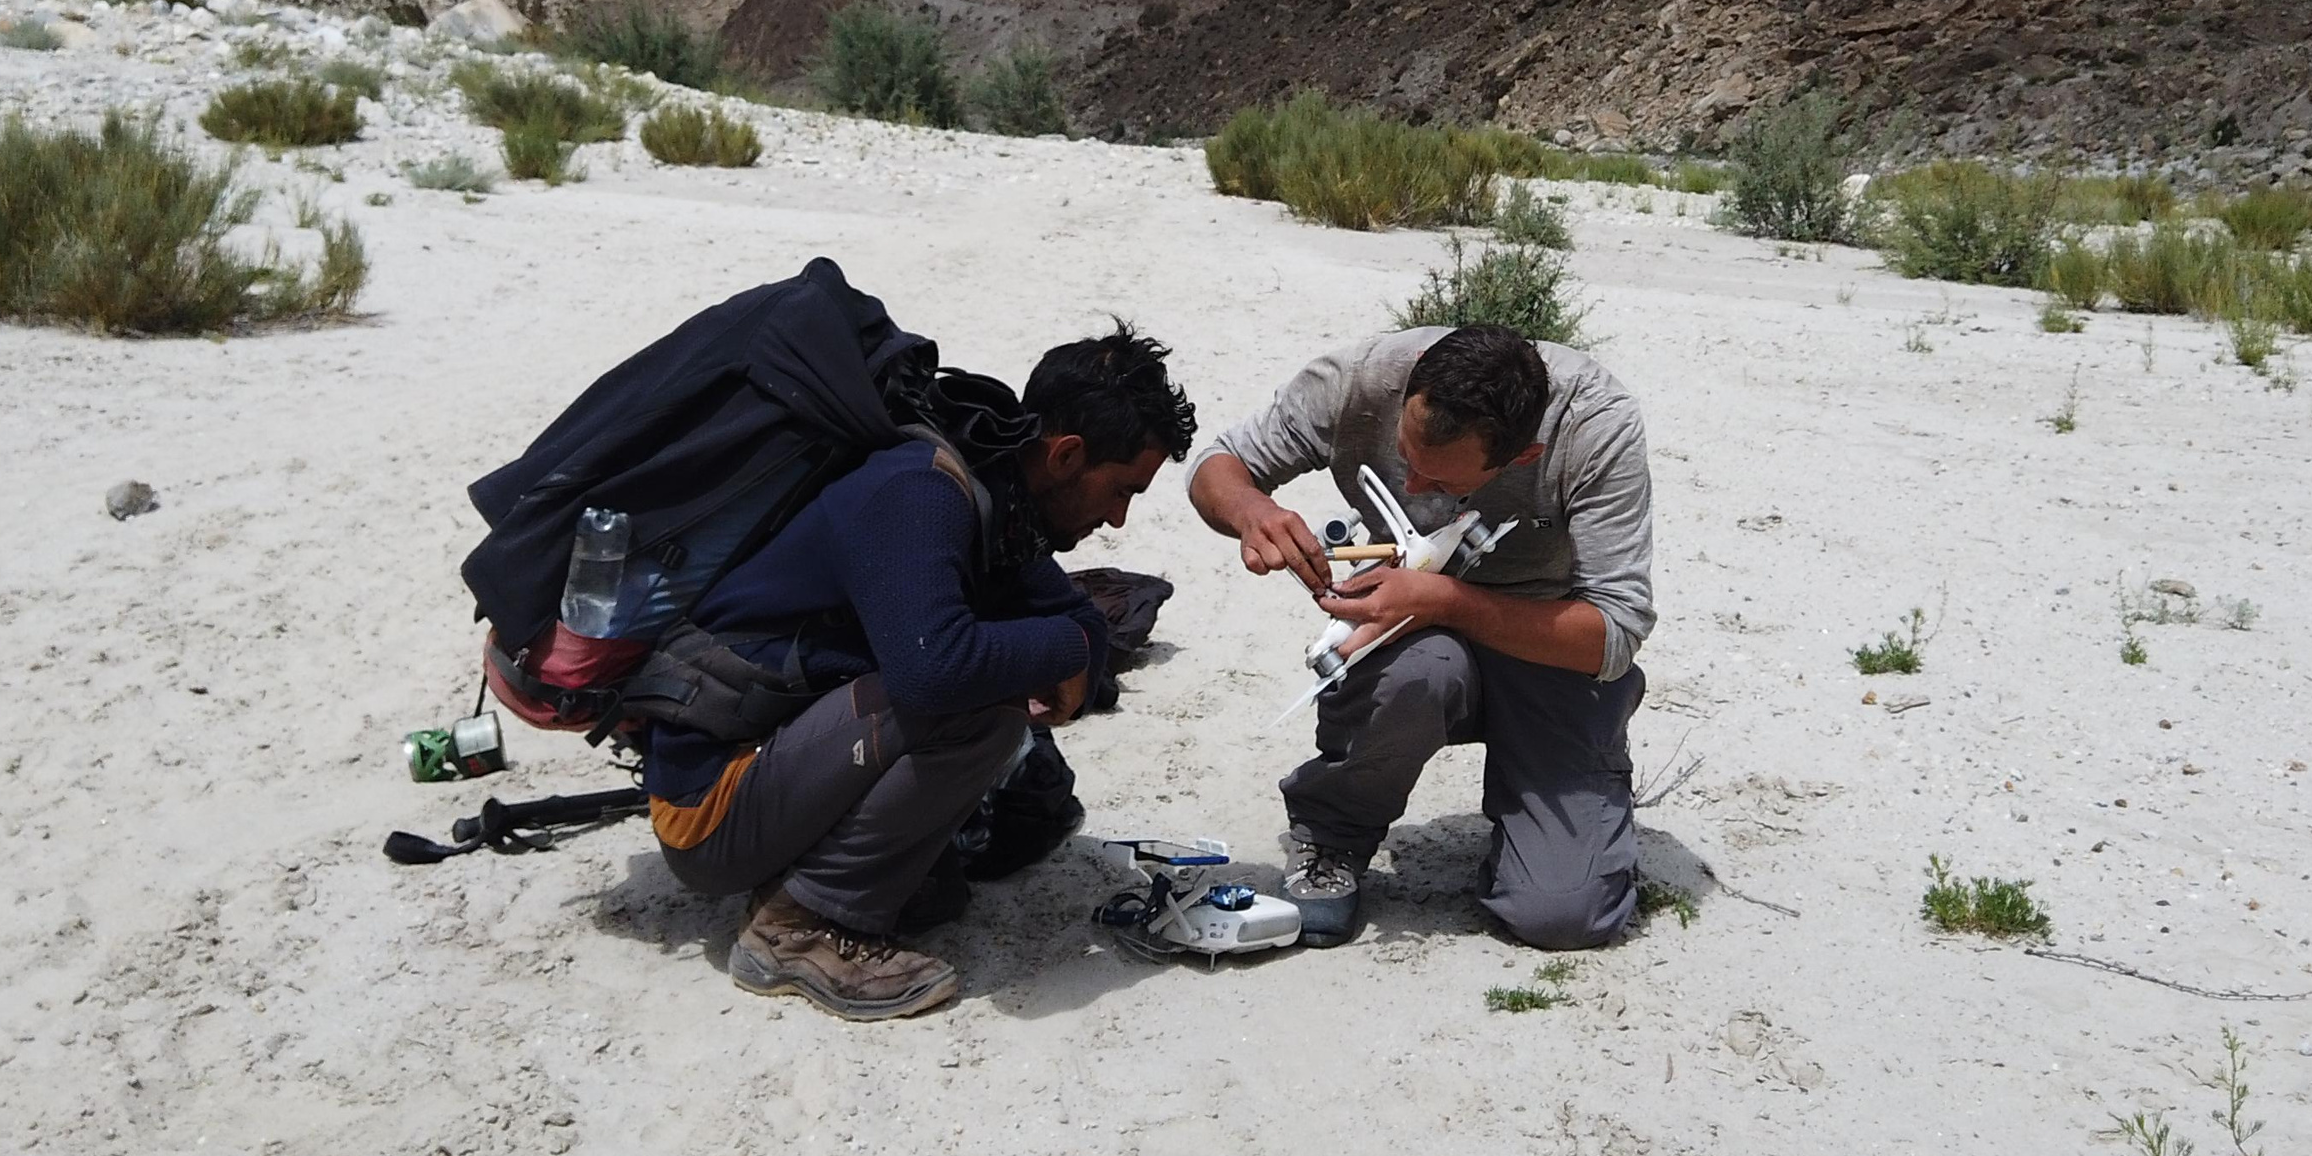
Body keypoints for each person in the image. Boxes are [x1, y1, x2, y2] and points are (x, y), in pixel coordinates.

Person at [650, 323, 1197, 1021]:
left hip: (781, 762)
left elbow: (1082, 621)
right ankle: (796, 928)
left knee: (950, 866)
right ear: (1066, 454)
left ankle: (823, 885)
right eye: (1121, 490)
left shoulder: (997, 493)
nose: (1117, 519)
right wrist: (1062, 652)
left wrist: (1071, 647)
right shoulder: (920, 493)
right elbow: (937, 672)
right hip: (710, 808)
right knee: (979, 709)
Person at [1189, 323, 1653, 949]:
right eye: (1405, 457)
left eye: (1440, 484)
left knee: (1562, 915)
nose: (1410, 488)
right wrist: (1253, 512)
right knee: (1419, 673)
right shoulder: (1357, 379)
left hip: (1548, 642)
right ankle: (1333, 835)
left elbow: (1616, 630)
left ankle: (1545, 832)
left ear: (1523, 456)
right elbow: (1218, 465)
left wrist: (1444, 601)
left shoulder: (1594, 425)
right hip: (1415, 638)